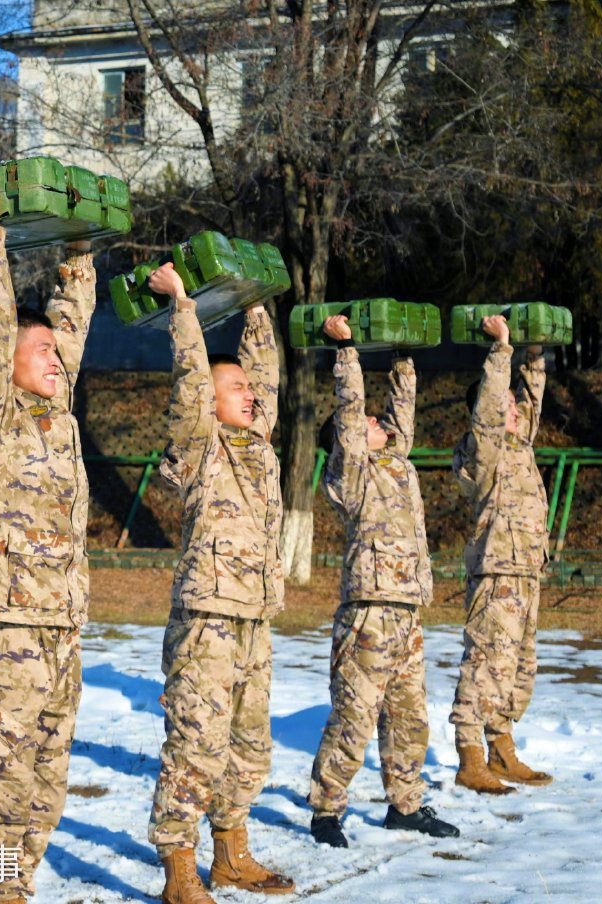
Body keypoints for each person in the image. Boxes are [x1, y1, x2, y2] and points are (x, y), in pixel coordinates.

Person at [0, 182, 96, 904]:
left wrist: (79, 254)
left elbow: (72, 323)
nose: (56, 358)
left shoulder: (58, 420)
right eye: (40, 350)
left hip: (62, 627)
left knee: (43, 791)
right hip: (7, 627)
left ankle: (11, 894)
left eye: (57, 352)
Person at [144, 263, 293, 904]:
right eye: (234, 386)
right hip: (206, 616)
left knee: (249, 745)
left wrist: (256, 308)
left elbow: (268, 376)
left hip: (254, 617)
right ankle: (180, 868)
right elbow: (188, 384)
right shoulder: (201, 445)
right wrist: (183, 307)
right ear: (210, 398)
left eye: (249, 386)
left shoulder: (260, 447)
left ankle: (232, 855)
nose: (249, 393)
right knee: (196, 744)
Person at [307, 315, 458, 848]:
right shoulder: (350, 473)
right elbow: (350, 418)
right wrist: (346, 353)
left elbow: (401, 414)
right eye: (370, 423)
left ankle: (405, 805)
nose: (378, 421)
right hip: (369, 612)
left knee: (410, 718)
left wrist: (402, 357)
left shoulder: (395, 462)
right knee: (355, 717)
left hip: (407, 612)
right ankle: (326, 810)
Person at [449, 314, 555, 792]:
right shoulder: (482, 451)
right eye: (503, 405)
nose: (513, 409)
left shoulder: (520, 444)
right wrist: (502, 352)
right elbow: (493, 409)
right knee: (487, 662)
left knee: (520, 667)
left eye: (513, 404)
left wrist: (535, 354)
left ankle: (502, 746)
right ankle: (470, 755)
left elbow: (530, 401)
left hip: (527, 570)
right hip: (496, 572)